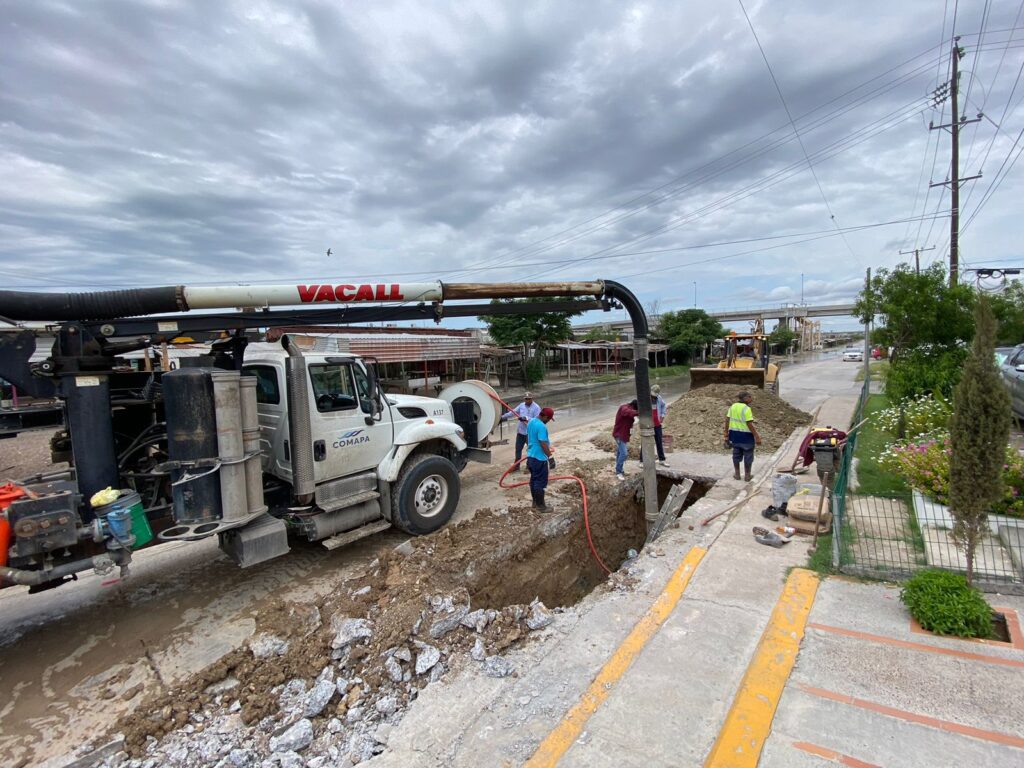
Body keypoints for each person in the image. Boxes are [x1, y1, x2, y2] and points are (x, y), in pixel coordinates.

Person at [723, 391, 761, 481]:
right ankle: (747, 476)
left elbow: (727, 420)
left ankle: (737, 474)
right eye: (750, 397)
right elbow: (749, 424)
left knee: (736, 454)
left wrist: (726, 433)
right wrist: (757, 436)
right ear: (746, 398)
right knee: (748, 455)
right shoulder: (746, 409)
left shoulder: (733, 406)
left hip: (734, 435)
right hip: (746, 436)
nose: (752, 398)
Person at [501, 392, 541, 471]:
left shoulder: (536, 407)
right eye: (526, 399)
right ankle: (516, 466)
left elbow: (537, 420)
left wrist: (526, 418)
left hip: (530, 433)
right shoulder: (521, 405)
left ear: (532, 399)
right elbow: (512, 413)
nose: (527, 400)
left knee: (530, 450)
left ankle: (529, 466)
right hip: (520, 432)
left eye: (528, 399)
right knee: (518, 449)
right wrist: (502, 417)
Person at [526, 407, 555, 511]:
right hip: (539, 458)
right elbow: (542, 443)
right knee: (540, 482)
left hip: (530, 456)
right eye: (548, 419)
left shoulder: (531, 421)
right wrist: (550, 457)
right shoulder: (542, 426)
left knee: (533, 480)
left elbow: (528, 438)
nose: (548, 421)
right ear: (545, 417)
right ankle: (541, 506)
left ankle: (535, 503)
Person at [612, 399, 638, 481]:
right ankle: (618, 472)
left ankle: (620, 470)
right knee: (624, 453)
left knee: (620, 453)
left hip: (624, 435)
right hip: (619, 435)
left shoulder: (630, 409)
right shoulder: (624, 408)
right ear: (634, 407)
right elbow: (628, 412)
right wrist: (640, 412)